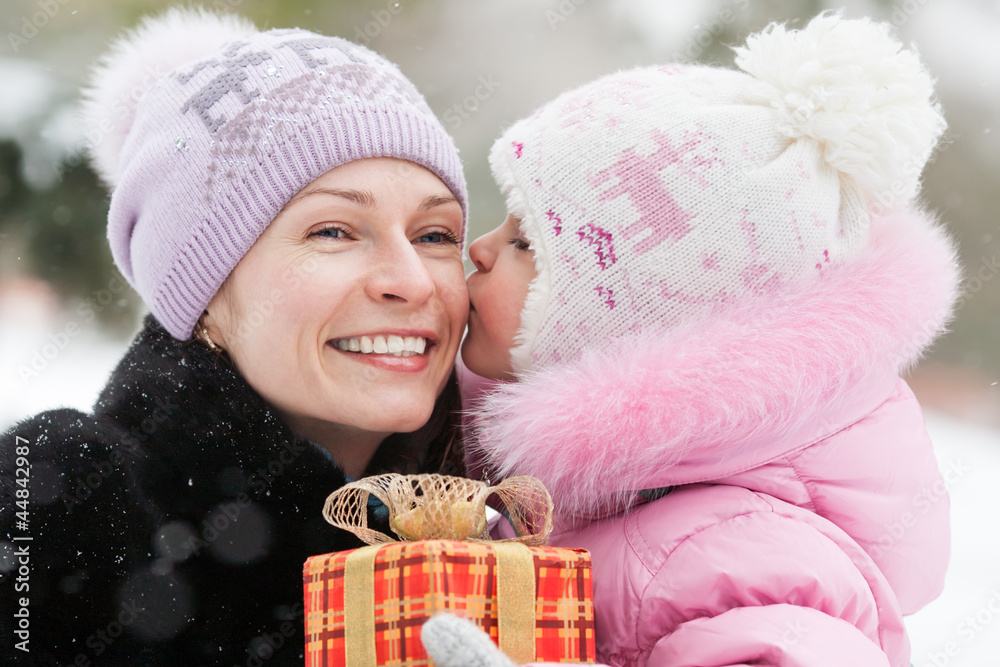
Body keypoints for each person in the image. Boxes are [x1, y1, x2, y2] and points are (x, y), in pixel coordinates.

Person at [428, 13, 960, 667]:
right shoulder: (582, 490)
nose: (478, 248)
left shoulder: (751, 561)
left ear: (624, 328)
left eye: (524, 242)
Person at [0, 8, 469, 665]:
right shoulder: (60, 506)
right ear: (205, 290)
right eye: (332, 230)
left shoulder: (515, 523)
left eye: (436, 234)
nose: (413, 281)